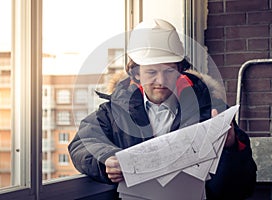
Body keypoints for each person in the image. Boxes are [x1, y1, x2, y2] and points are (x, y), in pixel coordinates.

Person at [68, 19, 257, 199]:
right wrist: (106, 160)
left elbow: (243, 186)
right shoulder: (112, 112)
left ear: (180, 70)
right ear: (136, 74)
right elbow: (82, 143)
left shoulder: (212, 111)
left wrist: (231, 147)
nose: (161, 81)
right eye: (151, 72)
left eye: (169, 71)